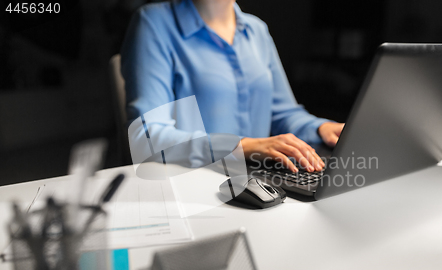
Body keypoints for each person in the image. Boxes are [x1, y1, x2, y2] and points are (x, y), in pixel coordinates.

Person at [121, 0, 344, 173]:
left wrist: (320, 129)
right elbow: (146, 137)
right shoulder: (154, 23)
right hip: (193, 188)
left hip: (258, 182)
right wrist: (239, 146)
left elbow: (282, 113)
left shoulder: (257, 30)